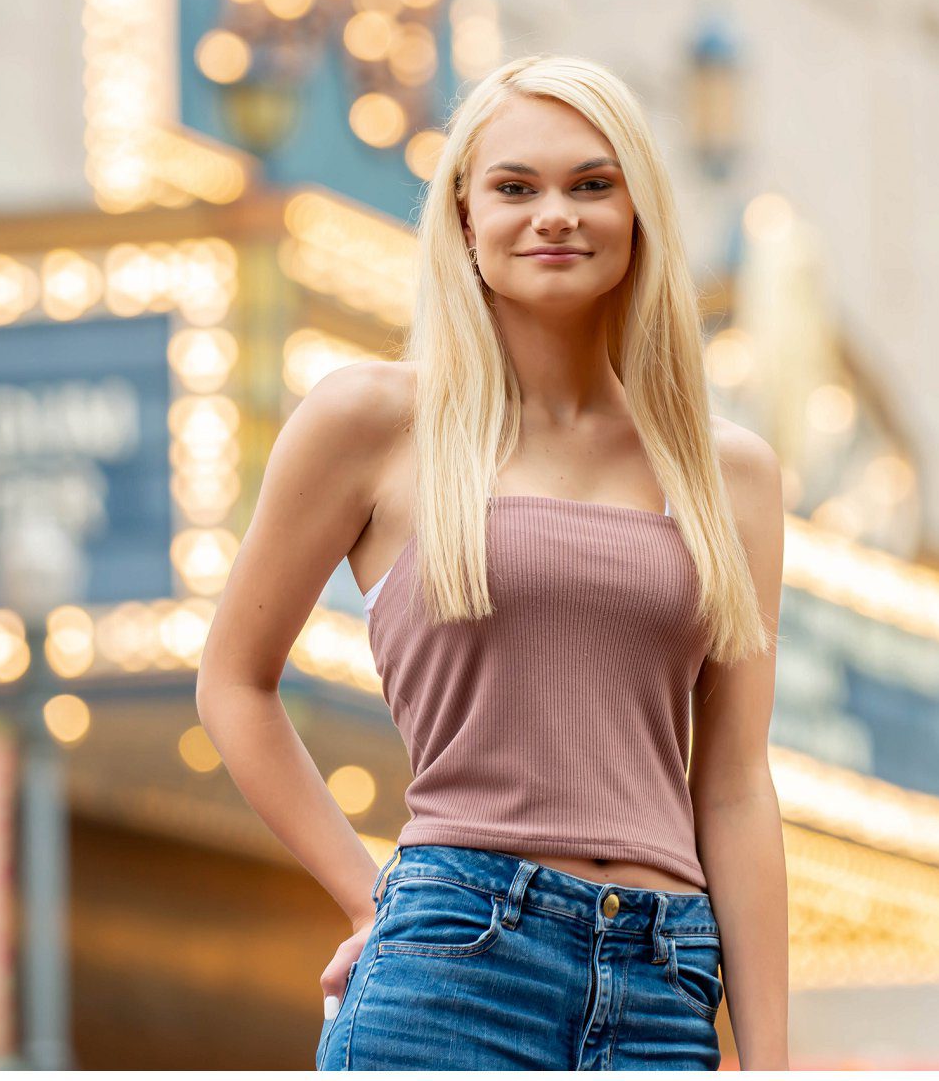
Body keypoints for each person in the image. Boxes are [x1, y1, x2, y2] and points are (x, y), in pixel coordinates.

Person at [198, 58, 787, 1072]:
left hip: (663, 988)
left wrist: (771, 1061)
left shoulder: (727, 471)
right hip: (456, 962)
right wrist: (370, 899)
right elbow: (233, 683)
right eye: (515, 186)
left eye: (591, 184)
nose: (554, 214)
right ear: (465, 218)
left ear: (638, 213)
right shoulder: (371, 420)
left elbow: (732, 784)